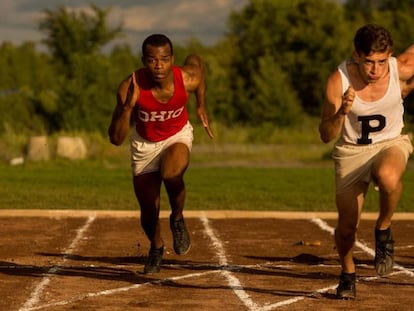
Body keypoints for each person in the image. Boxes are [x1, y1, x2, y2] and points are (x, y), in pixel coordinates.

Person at [319, 23, 414, 299]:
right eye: (369, 62)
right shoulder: (338, 80)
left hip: (390, 143)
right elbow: (325, 135)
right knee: (347, 227)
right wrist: (340, 114)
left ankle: (383, 228)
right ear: (356, 55)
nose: (376, 70)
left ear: (391, 56)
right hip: (351, 151)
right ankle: (348, 273)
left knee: (388, 176)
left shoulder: (400, 67)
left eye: (382, 62)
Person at [108, 34, 214, 274]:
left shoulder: (186, 78)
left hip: (177, 135)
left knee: (171, 173)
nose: (159, 65)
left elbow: (197, 61)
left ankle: (177, 218)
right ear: (144, 61)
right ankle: (156, 247)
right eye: (152, 60)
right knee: (148, 210)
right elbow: (115, 139)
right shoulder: (129, 87)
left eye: (164, 59)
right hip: (144, 145)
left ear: (172, 60)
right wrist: (127, 108)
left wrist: (201, 104)